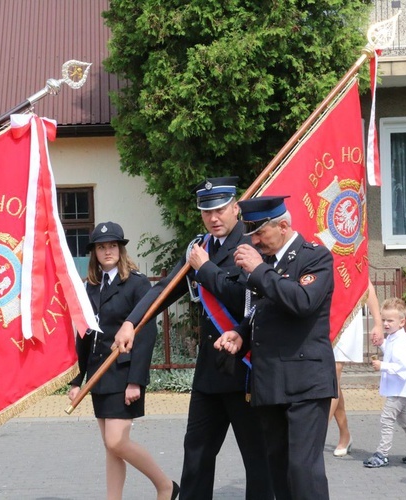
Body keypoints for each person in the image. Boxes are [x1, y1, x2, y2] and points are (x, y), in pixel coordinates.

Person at [113, 178, 273, 500]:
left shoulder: (251, 246)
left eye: (220, 210)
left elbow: (243, 297)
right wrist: (132, 322)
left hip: (245, 371)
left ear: (235, 208)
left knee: (257, 460)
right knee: (196, 455)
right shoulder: (200, 247)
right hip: (209, 374)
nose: (213, 218)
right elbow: (163, 290)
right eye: (206, 211)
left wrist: (205, 270)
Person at [214, 195, 337, 500]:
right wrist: (240, 334)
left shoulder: (315, 258)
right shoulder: (265, 264)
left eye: (259, 233)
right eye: (251, 234)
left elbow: (302, 302)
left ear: (283, 226)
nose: (255, 241)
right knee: (278, 467)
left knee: (302, 469)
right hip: (269, 380)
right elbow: (261, 312)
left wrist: (259, 271)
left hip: (305, 380)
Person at [68, 222, 178, 500]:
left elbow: (146, 333)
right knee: (111, 446)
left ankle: (166, 486)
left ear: (121, 249)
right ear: (94, 252)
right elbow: (84, 335)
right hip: (99, 374)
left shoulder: (137, 284)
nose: (108, 251)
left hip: (123, 372)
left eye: (113, 246)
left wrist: (135, 381)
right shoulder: (91, 287)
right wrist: (77, 379)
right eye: (102, 247)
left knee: (117, 440)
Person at [363, 298, 406, 468]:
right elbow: (392, 352)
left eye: (390, 320)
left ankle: (382, 453)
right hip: (398, 388)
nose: (385, 324)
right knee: (404, 419)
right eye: (384, 320)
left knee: (386, 418)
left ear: (402, 322)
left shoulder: (402, 341)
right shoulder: (393, 337)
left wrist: (382, 365)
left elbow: (403, 366)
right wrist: (382, 343)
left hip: (401, 388)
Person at [330, 279, 381, 457]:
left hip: (346, 312)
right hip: (321, 313)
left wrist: (378, 322)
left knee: (334, 370)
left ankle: (315, 434)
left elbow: (364, 283)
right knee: (332, 380)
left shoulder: (349, 250)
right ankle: (345, 435)